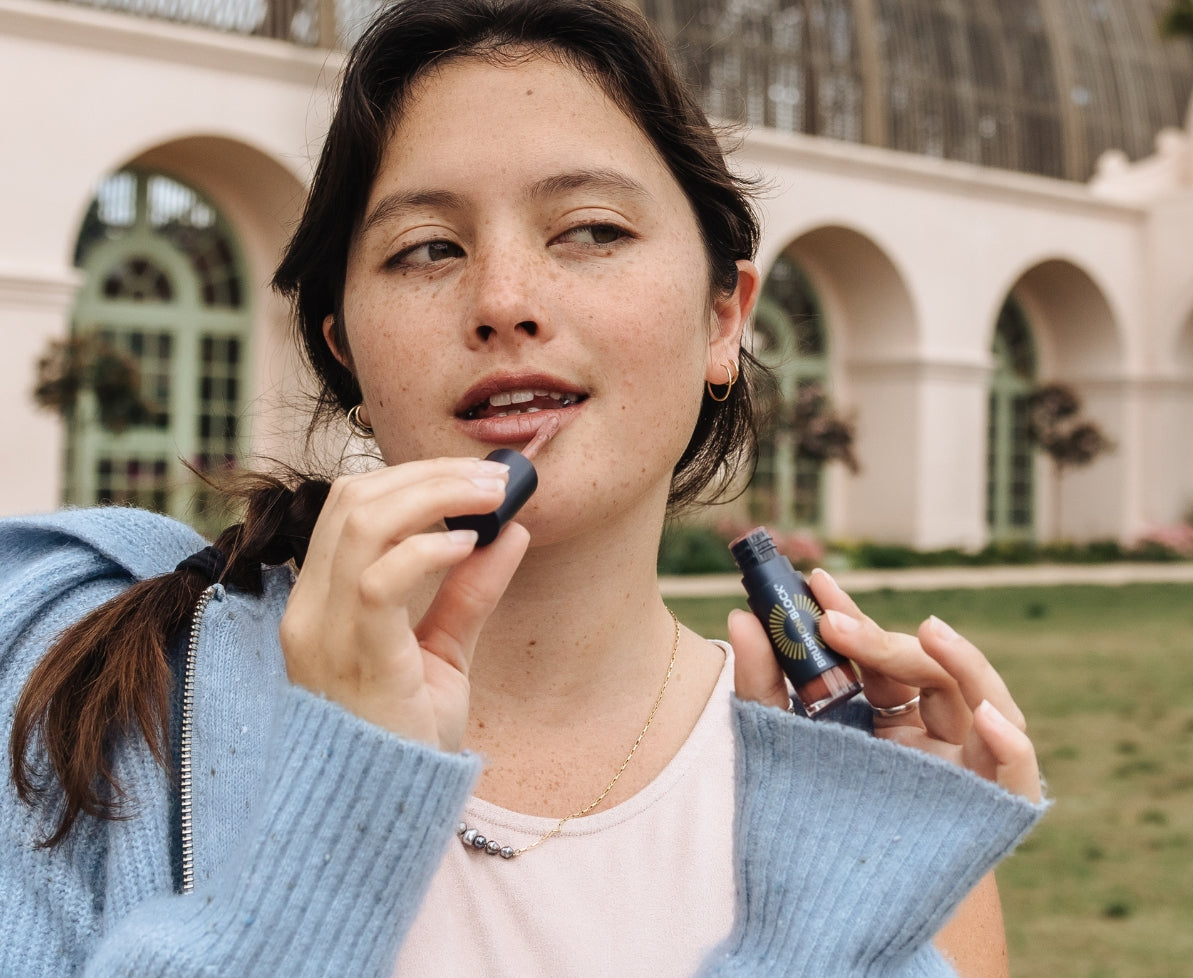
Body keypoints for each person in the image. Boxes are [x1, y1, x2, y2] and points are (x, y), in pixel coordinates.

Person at [0, 1, 1046, 975]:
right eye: (426, 250)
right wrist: (338, 811)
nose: (503, 301)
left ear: (722, 316)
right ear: (344, 348)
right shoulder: (83, 678)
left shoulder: (878, 806)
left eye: (591, 230)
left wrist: (833, 914)